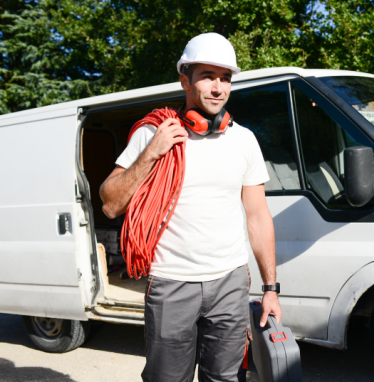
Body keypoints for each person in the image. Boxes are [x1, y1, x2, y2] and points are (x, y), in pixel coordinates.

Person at [99, 32, 282, 382]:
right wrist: (152, 152)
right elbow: (110, 204)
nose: (218, 88)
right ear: (185, 79)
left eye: (225, 78)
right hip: (172, 283)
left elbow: (257, 216)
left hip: (230, 282)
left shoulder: (244, 140)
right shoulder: (153, 135)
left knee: (226, 378)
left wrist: (270, 289)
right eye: (207, 77)